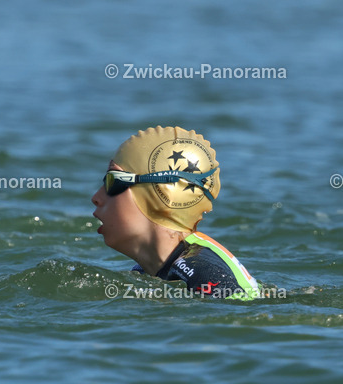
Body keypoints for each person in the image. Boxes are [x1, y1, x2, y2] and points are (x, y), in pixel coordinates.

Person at [91, 126, 260, 300]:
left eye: (113, 181)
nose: (96, 197)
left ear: (163, 194)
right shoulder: (151, 270)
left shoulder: (201, 273)